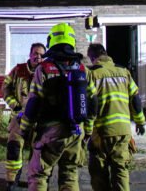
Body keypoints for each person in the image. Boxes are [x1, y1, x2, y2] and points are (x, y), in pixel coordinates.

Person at [19, 23, 97, 191]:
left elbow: (33, 102)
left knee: (39, 174)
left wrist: (24, 129)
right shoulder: (83, 69)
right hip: (76, 131)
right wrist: (88, 131)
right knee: (69, 175)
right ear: (72, 41)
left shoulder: (43, 69)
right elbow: (92, 103)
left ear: (51, 41)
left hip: (50, 132)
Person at [86, 43, 146, 191]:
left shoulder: (92, 74)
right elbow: (135, 98)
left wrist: (87, 130)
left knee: (99, 173)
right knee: (120, 171)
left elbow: (90, 103)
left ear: (92, 57)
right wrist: (140, 122)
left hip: (101, 133)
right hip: (123, 131)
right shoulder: (124, 72)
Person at [2, 42, 46, 190]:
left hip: (38, 120)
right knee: (14, 148)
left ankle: (35, 181)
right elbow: (5, 87)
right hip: (19, 117)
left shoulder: (46, 72)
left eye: (41, 55)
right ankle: (12, 181)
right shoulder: (18, 70)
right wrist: (14, 104)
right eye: (35, 53)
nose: (38, 57)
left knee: (38, 152)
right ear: (30, 54)